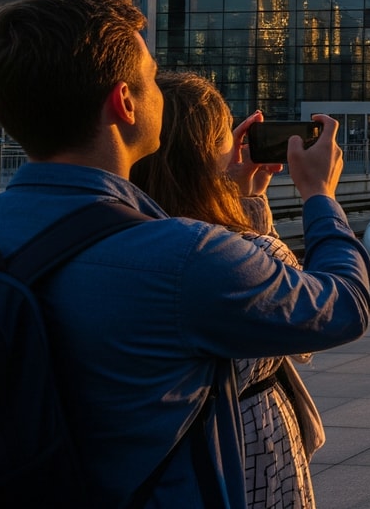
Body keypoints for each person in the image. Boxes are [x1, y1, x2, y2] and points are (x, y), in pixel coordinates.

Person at [0, 0, 370, 507]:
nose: (161, 91)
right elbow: (343, 306)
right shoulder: (186, 258)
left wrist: (243, 198)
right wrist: (319, 194)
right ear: (125, 102)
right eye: (152, 75)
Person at [131, 71, 327, 508]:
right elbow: (315, 319)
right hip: (250, 448)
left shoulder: (135, 234)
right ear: (208, 153)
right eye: (225, 135)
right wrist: (319, 193)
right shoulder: (227, 255)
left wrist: (245, 198)